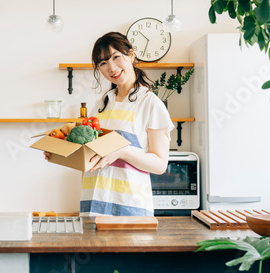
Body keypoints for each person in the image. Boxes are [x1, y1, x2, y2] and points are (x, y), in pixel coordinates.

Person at [45, 32, 174, 216]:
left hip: (129, 206)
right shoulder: (103, 103)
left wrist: (122, 151)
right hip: (93, 204)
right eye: (103, 63)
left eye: (116, 57)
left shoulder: (150, 103)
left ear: (131, 55)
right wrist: (60, 152)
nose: (111, 67)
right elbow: (89, 153)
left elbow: (160, 164)